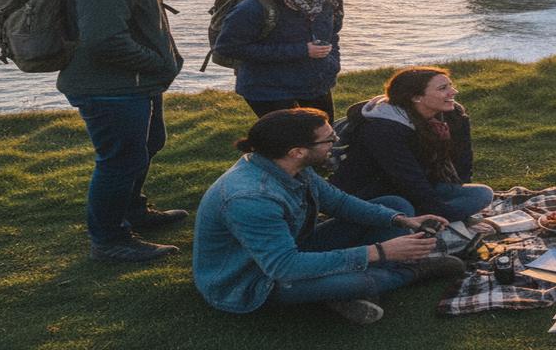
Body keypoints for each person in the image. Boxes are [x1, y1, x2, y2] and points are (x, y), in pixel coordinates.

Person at [193, 109, 464, 326]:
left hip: (294, 246)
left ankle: (334, 292)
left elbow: (340, 203)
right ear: (297, 151)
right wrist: (380, 252)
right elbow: (284, 267)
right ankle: (409, 272)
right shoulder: (252, 198)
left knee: (394, 205)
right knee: (363, 280)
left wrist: (402, 220)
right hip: (253, 280)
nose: (335, 145)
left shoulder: (291, 166)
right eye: (329, 140)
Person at [57, 0, 198, 263]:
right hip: (110, 88)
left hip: (133, 83)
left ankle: (133, 212)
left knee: (147, 145)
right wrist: (157, 64)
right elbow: (103, 39)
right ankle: (109, 240)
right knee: (120, 161)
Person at [333, 67, 493, 221]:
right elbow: (407, 178)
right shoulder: (383, 129)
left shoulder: (452, 115)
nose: (453, 92)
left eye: (451, 86)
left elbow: (462, 158)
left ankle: (424, 221)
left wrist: (457, 190)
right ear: (416, 97)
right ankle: (422, 221)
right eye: (443, 88)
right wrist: (442, 210)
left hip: (424, 185)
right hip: (374, 192)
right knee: (401, 206)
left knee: (481, 194)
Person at [214, 0, 343, 120]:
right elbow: (228, 48)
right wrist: (301, 50)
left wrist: (332, 64)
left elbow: (332, 34)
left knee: (323, 138)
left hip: (315, 84)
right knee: (287, 143)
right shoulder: (254, 7)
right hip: (268, 89)